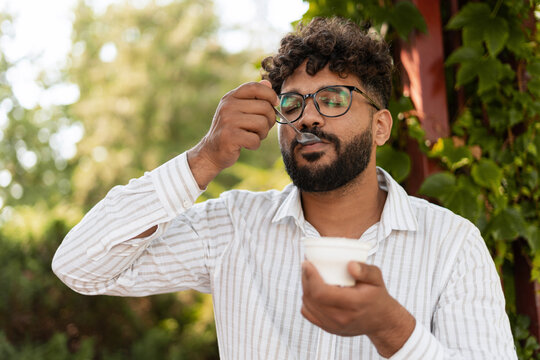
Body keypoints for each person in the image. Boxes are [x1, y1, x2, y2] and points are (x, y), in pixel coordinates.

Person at [52, 17, 517, 359]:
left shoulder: (451, 244)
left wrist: (392, 329)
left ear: (380, 126)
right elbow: (81, 266)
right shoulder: (232, 226)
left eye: (333, 99)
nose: (309, 117)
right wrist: (204, 158)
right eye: (292, 104)